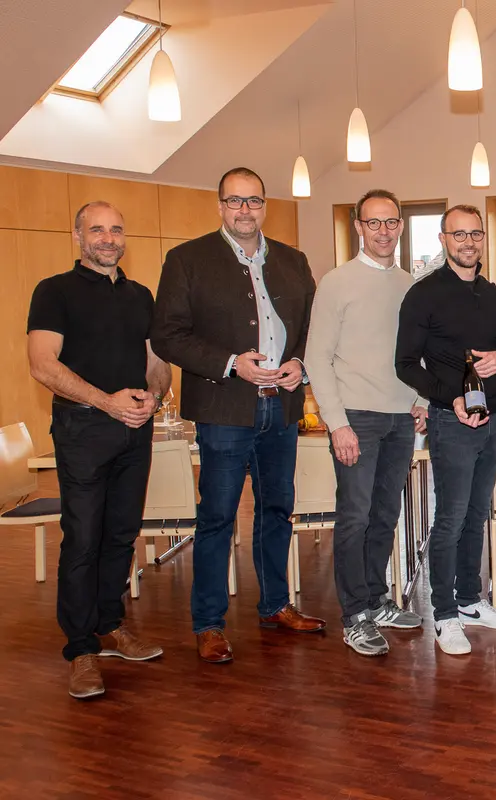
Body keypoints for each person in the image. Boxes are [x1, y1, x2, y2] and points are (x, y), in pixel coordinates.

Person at [151, 167, 324, 665]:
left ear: (265, 206)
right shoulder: (187, 259)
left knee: (277, 511)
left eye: (253, 201)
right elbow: (168, 335)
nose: (244, 210)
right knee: (218, 517)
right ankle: (208, 624)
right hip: (223, 409)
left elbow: (314, 326)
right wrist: (231, 363)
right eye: (234, 201)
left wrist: (301, 363)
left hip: (282, 408)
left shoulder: (293, 260)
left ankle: (275, 606)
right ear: (220, 205)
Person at [27, 201, 172, 699]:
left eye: (116, 229)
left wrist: (154, 396)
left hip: (135, 429)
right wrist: (106, 401)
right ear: (78, 236)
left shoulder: (140, 294)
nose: (108, 238)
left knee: (121, 535)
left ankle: (110, 625)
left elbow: (156, 363)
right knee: (83, 538)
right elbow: (42, 364)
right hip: (83, 430)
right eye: (97, 230)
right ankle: (80, 648)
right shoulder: (54, 291)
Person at [305, 189, 427, 657]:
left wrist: (420, 398)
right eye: (373, 222)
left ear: (400, 226)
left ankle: (376, 600)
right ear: (358, 227)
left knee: (385, 516)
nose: (383, 231)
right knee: (354, 517)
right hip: (355, 418)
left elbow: (417, 353)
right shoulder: (337, 282)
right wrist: (337, 424)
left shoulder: (409, 284)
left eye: (390, 222)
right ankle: (355, 613)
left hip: (400, 419)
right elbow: (317, 357)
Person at [396, 204, 496, 655]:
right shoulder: (424, 294)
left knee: (477, 513)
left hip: (493, 418)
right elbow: (405, 364)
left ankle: (470, 600)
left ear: (483, 238)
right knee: (450, 518)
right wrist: (449, 397)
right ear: (443, 239)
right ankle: (445, 615)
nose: (468, 242)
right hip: (451, 420)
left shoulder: (490, 292)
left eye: (475, 234)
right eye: (459, 234)